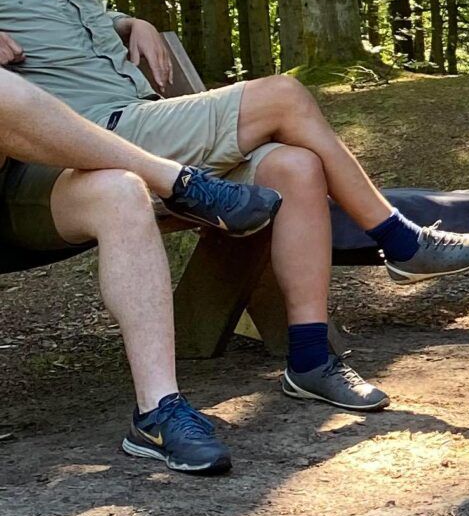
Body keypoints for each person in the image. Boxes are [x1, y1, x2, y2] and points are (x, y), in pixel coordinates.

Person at [0, 0, 469, 415]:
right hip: (99, 141)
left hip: (153, 129)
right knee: (284, 95)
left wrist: (129, 22)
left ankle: (310, 360)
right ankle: (400, 240)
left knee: (294, 168)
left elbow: (74, 21)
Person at [0, 58, 282, 473]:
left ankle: (158, 412)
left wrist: (127, 23)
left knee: (121, 191)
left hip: (15, 185)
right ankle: (177, 182)